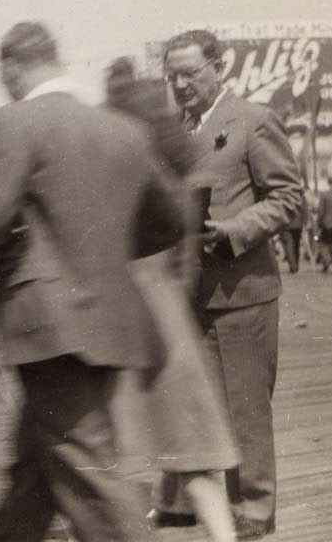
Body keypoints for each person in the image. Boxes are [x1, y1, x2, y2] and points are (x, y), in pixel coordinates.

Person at [0, 22, 184, 541]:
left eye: (3, 74)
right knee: (36, 475)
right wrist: (103, 254)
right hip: (109, 323)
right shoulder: (122, 129)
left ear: (11, 66)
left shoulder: (18, 120)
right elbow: (171, 219)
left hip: (48, 326)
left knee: (90, 477)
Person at [155, 29, 303, 540]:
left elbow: (288, 199)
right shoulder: (174, 131)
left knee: (244, 410)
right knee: (185, 401)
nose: (179, 84)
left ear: (220, 67)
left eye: (190, 74)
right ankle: (177, 501)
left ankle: (253, 513)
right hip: (185, 292)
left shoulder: (253, 122)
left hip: (241, 291)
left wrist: (233, 229)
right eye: (171, 75)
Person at [105, 58, 238, 542]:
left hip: (125, 316)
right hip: (169, 315)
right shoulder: (180, 173)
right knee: (195, 447)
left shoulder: (127, 173)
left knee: (115, 451)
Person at [317, 176, 332, 272]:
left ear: (328, 183)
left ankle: (327, 261)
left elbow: (321, 211)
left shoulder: (324, 194)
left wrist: (319, 221)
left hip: (327, 222)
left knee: (323, 243)